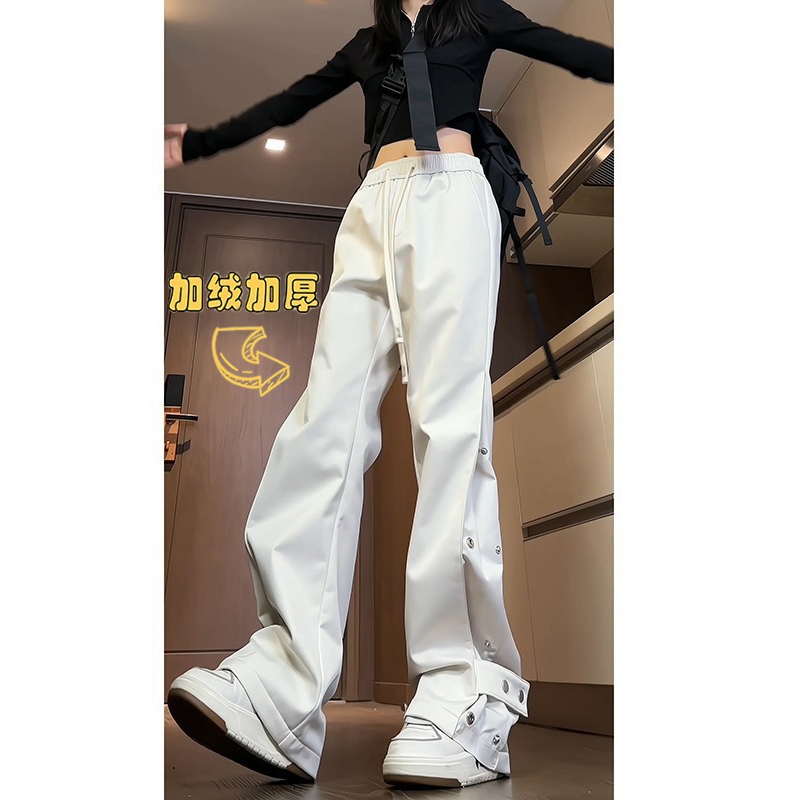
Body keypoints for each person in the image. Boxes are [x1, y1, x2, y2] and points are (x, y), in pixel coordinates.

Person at [165, 0, 613, 789]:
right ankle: (283, 683)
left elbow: (570, 48)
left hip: (453, 191)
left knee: (447, 424)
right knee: (322, 421)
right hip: (372, 202)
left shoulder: (474, 16)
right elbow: (292, 100)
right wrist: (199, 141)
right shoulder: (370, 42)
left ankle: (464, 689)